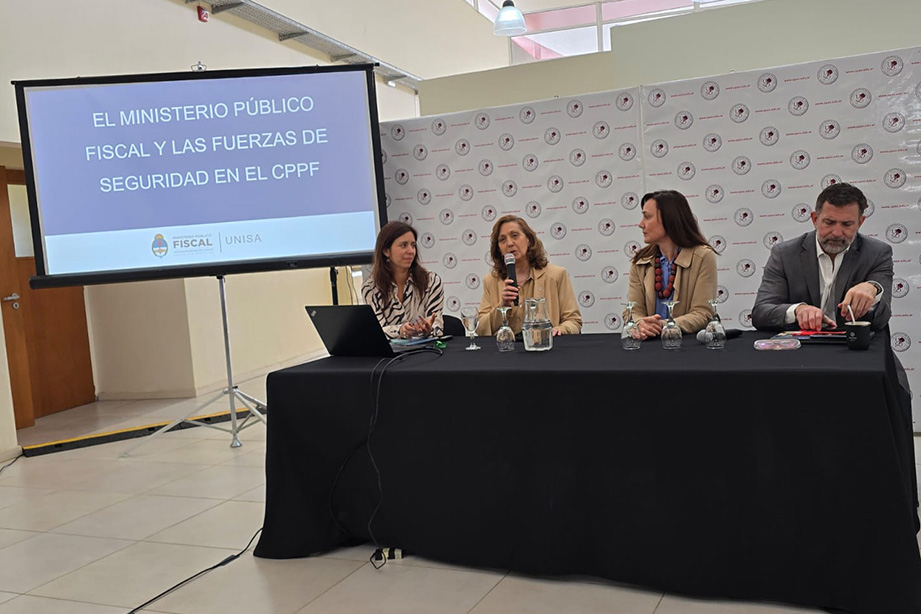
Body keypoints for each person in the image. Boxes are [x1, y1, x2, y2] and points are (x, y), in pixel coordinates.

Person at [752, 182, 892, 331]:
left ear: (860, 223)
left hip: (853, 342)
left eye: (847, 224)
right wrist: (797, 310)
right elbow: (760, 313)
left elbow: (881, 320)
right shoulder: (784, 254)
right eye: (829, 223)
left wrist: (873, 290)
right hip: (802, 343)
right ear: (815, 219)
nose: (837, 233)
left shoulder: (877, 253)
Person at [625, 190, 717, 338]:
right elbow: (633, 310)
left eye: (647, 217)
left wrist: (665, 325)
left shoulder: (703, 256)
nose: (640, 224)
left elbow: (703, 313)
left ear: (669, 219)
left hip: (688, 345)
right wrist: (640, 323)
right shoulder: (640, 260)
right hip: (648, 344)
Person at [477, 215, 581, 336]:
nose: (509, 243)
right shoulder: (491, 280)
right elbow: (480, 329)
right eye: (502, 240)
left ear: (529, 240)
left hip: (545, 344)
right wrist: (502, 306)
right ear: (499, 249)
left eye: (514, 235)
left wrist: (560, 329)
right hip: (507, 346)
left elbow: (574, 321)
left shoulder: (556, 275)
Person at [361, 221, 444, 339]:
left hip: (427, 347)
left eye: (413, 245)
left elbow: (437, 327)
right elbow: (377, 332)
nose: (411, 251)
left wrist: (429, 329)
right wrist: (400, 330)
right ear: (386, 251)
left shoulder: (431, 281)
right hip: (390, 351)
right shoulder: (371, 288)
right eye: (404, 245)